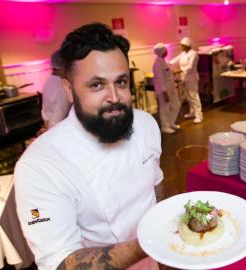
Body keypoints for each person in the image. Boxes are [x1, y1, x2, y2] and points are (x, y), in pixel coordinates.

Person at [14, 23, 163, 270]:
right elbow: (59, 262)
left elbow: (155, 182)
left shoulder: (146, 125)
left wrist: (162, 227)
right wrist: (150, 243)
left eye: (122, 82)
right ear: (69, 90)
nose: (114, 97)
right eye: (96, 85)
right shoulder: (39, 165)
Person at [169, 37, 203, 124]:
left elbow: (190, 66)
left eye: (183, 46)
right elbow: (174, 60)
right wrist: (167, 64)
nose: (181, 47)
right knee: (188, 96)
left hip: (192, 78)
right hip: (184, 78)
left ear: (187, 46)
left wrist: (179, 71)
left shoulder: (194, 54)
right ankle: (192, 112)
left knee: (194, 96)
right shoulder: (183, 53)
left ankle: (199, 115)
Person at [152, 43, 181, 134]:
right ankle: (165, 126)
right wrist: (165, 93)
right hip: (163, 90)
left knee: (177, 104)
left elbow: (168, 74)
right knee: (165, 108)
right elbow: (160, 80)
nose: (167, 52)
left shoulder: (164, 61)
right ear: (161, 52)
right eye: (165, 50)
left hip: (171, 88)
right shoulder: (157, 64)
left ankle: (171, 122)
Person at [41, 50, 71, 129]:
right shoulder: (63, 87)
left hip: (48, 124)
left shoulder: (49, 81)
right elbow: (58, 117)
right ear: (63, 68)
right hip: (57, 128)